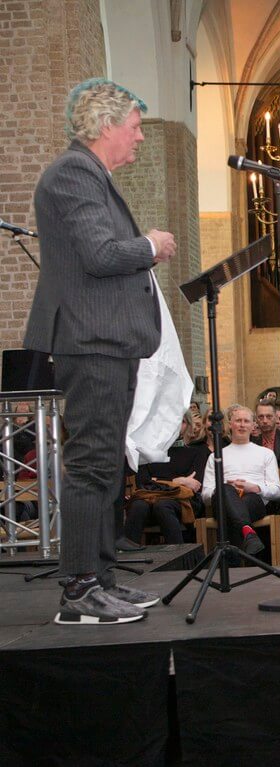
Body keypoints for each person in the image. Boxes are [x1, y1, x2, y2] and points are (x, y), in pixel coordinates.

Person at [24, 78, 178, 625]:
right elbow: (99, 253)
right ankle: (79, 590)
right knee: (91, 466)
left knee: (107, 466)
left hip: (108, 340)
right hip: (90, 341)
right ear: (106, 123)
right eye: (135, 126)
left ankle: (102, 580)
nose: (139, 137)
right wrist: (150, 246)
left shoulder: (93, 176)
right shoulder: (72, 174)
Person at [200, 405, 280, 559]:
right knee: (225, 489)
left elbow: (277, 491)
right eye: (238, 420)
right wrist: (227, 489)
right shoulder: (216, 456)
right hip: (222, 500)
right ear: (230, 424)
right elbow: (205, 495)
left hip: (254, 501)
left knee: (233, 509)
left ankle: (232, 565)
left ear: (253, 426)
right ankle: (248, 532)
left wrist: (255, 488)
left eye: (246, 421)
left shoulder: (266, 454)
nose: (242, 424)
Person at [118, 414, 209, 549]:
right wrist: (178, 480)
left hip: (184, 501)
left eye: (182, 421)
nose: (177, 424)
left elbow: (195, 485)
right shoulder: (148, 452)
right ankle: (128, 555)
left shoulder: (197, 452)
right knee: (138, 506)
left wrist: (158, 481)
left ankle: (179, 557)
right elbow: (143, 482)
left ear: (188, 426)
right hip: (149, 499)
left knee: (163, 506)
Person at [252, 399, 280, 465]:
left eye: (269, 416)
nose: (265, 421)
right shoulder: (251, 441)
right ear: (256, 419)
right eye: (261, 417)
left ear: (275, 417)